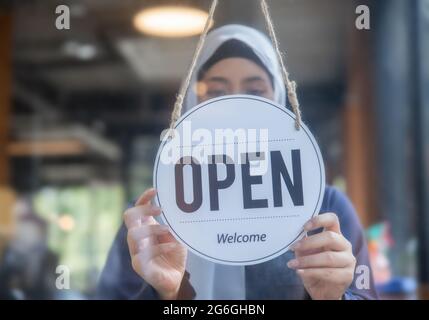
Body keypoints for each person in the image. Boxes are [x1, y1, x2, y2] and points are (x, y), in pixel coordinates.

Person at [97, 24, 378, 300]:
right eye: (216, 93)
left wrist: (333, 298)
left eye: (255, 92)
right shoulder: (153, 214)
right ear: (194, 102)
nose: (234, 106)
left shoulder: (324, 207)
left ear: (278, 100)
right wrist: (164, 295)